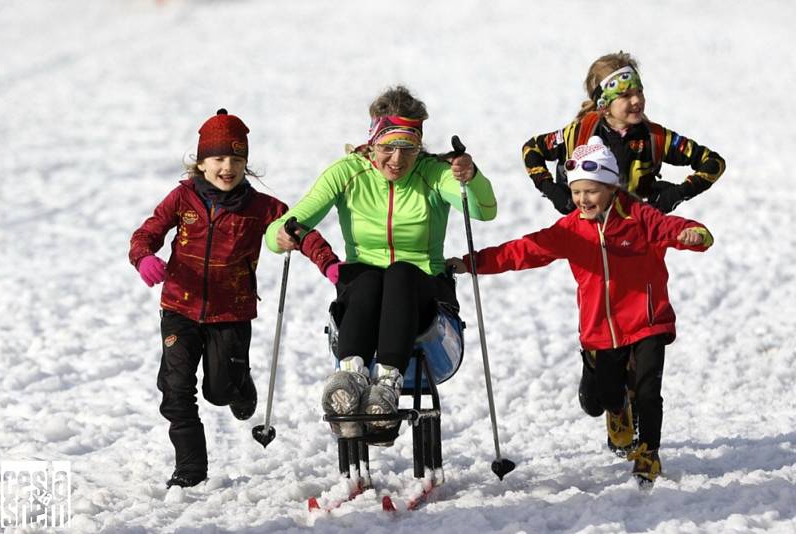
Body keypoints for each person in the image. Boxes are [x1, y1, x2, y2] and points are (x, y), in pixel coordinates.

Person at [448, 137, 714, 486]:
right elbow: (525, 250)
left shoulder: (638, 216)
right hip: (600, 330)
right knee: (600, 399)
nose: (582, 200)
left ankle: (648, 453)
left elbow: (673, 228)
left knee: (649, 390)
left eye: (591, 191)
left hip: (647, 320)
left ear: (611, 186)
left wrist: (695, 234)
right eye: (576, 192)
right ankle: (617, 407)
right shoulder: (571, 229)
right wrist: (472, 263)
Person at [522, 51, 726, 452]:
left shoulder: (655, 138)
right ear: (603, 102)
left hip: (639, 238)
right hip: (591, 244)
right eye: (625, 94)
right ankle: (601, 374)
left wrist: (677, 192)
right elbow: (531, 150)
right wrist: (552, 189)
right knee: (603, 351)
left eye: (639, 91)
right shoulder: (578, 133)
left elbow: (712, 163)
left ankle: (630, 407)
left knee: (640, 328)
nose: (636, 101)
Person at [264, 86, 497, 437]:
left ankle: (387, 384)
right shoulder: (347, 173)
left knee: (401, 272)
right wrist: (281, 234)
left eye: (408, 149)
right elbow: (285, 227)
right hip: (365, 294)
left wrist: (471, 176)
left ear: (419, 147)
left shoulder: (433, 173)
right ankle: (352, 376)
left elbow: (482, 211)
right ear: (372, 143)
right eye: (388, 148)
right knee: (368, 277)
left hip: (424, 294)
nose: (398, 160)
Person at [129, 109, 338, 488]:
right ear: (201, 162)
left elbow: (299, 230)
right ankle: (190, 468)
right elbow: (147, 232)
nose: (228, 167)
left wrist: (330, 265)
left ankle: (240, 384)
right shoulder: (182, 198)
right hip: (179, 307)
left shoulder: (260, 207)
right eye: (219, 159)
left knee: (218, 389)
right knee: (175, 390)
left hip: (231, 311)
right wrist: (143, 257)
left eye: (237, 160)